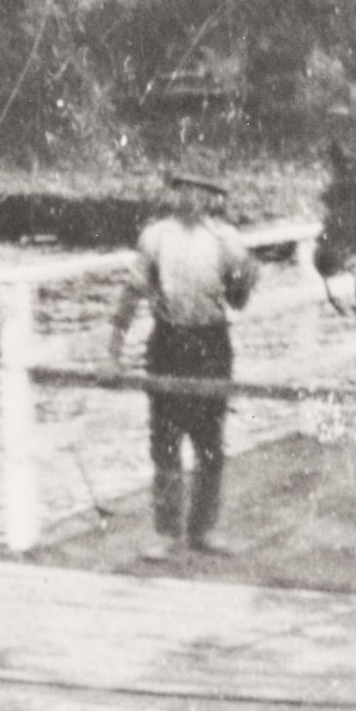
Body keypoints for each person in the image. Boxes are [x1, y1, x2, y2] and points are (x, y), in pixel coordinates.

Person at [107, 171, 259, 560]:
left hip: (210, 343)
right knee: (165, 440)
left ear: (212, 199)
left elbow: (238, 301)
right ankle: (168, 532)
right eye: (185, 190)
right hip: (168, 342)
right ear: (175, 194)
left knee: (210, 442)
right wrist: (114, 348)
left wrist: (246, 278)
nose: (192, 198)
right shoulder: (156, 236)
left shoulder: (226, 240)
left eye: (201, 192)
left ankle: (204, 529)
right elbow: (133, 290)